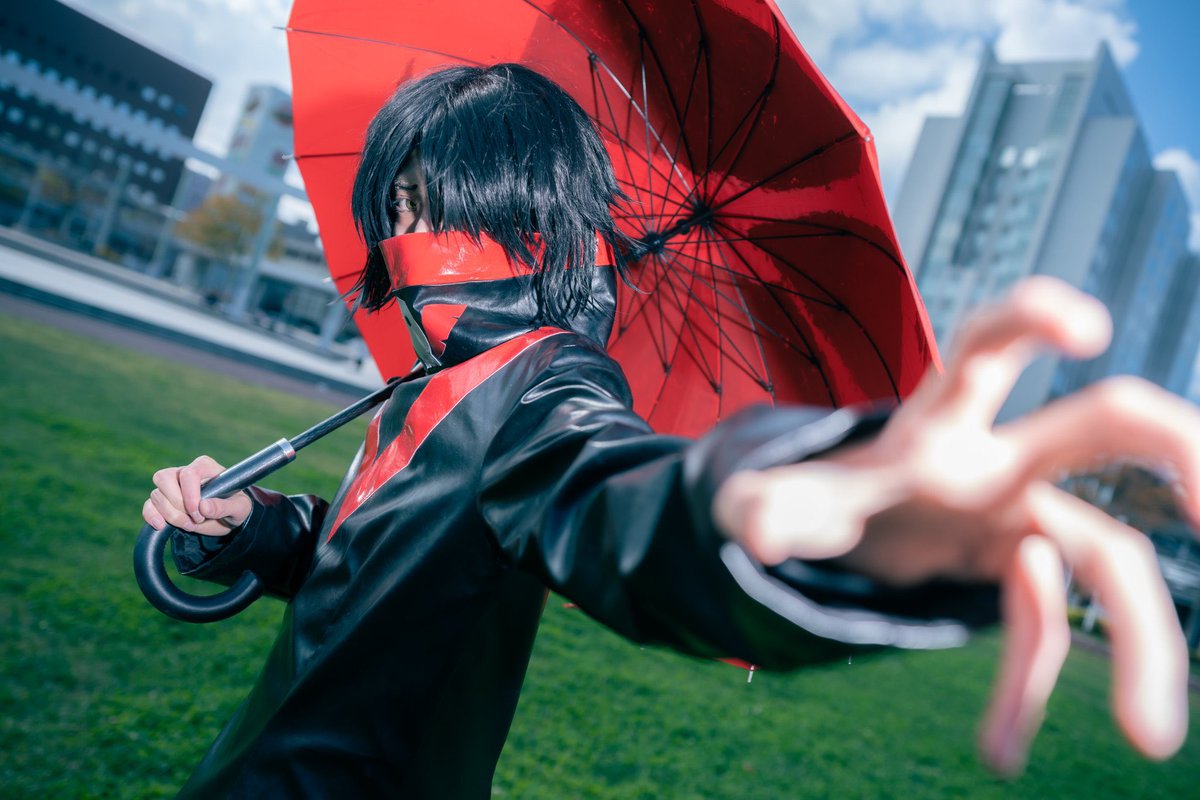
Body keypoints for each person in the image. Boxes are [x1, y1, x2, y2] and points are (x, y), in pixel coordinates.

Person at [143, 63, 1197, 797]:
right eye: (396, 206)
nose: (399, 237)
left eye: (427, 204)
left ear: (520, 207)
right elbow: (377, 566)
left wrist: (812, 512)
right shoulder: (435, 380)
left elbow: (616, 500)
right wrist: (254, 527)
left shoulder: (542, 389)